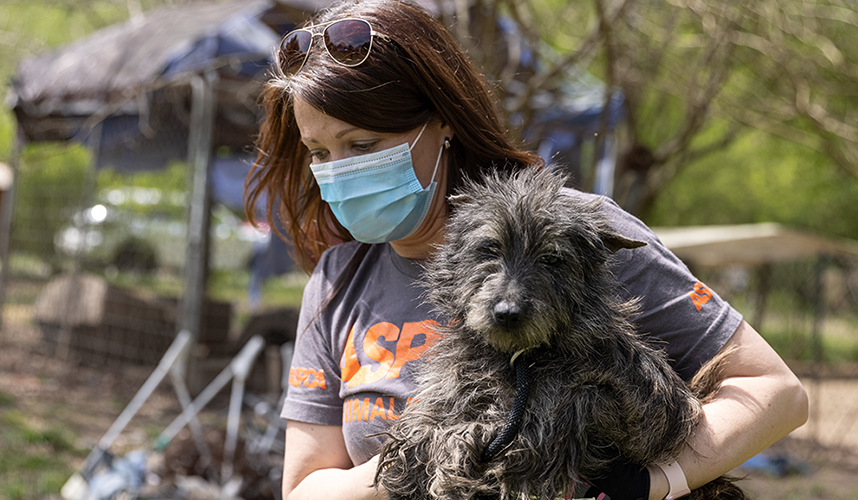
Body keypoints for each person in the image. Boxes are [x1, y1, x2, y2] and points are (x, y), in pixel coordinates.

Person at [244, 1, 808, 499]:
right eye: (319, 151)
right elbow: (305, 488)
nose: (340, 171)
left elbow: (774, 393)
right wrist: (436, 458)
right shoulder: (340, 278)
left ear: (440, 123)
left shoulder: (574, 231)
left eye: (362, 145)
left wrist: (650, 485)